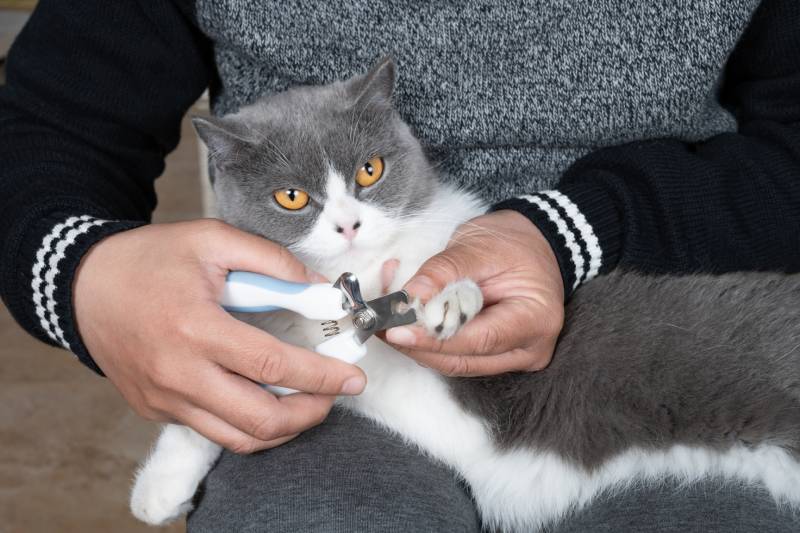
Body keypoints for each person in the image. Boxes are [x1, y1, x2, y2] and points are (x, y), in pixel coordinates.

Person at [1, 0, 798, 530]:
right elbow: (45, 128)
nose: (344, 220)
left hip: (661, 339)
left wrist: (572, 231)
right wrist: (84, 273)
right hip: (334, 423)